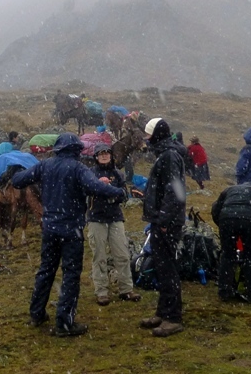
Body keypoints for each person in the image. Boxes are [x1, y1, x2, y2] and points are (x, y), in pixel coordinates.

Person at [12, 133, 126, 337]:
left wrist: (15, 170)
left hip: (49, 229)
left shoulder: (45, 165)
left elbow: (19, 181)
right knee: (71, 275)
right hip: (71, 230)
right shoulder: (77, 168)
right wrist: (117, 192)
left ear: (58, 148)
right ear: (76, 149)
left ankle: (36, 314)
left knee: (46, 271)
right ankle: (64, 323)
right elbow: (95, 187)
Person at [139, 117, 187, 337]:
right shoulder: (166, 153)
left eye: (148, 135)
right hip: (162, 220)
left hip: (166, 223)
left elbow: (173, 191)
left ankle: (173, 318)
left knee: (167, 268)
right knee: (162, 267)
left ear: (157, 135)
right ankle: (163, 311)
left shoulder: (168, 156)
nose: (146, 139)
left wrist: (165, 221)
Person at [87, 143, 141, 306]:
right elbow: (86, 192)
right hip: (96, 219)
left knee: (122, 255)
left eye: (107, 153)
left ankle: (126, 290)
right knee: (99, 256)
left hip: (116, 218)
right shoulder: (90, 174)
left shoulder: (117, 174)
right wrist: (99, 185)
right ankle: (101, 292)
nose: (104, 156)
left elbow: (123, 195)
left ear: (111, 155)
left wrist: (109, 188)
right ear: (96, 157)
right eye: (100, 153)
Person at [211, 180, 251, 302]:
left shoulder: (227, 191)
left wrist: (223, 227)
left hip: (227, 219)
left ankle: (225, 292)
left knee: (227, 256)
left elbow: (215, 211)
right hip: (250, 221)